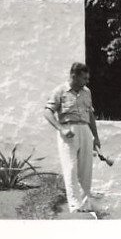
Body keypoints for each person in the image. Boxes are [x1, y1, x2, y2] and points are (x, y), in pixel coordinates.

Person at [44, 61, 104, 215]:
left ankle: (85, 203)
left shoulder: (87, 92)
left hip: (84, 129)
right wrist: (61, 128)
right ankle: (74, 204)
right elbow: (47, 112)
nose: (86, 81)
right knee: (70, 167)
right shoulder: (60, 91)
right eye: (84, 78)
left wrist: (95, 137)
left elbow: (90, 114)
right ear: (74, 76)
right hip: (68, 129)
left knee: (86, 168)